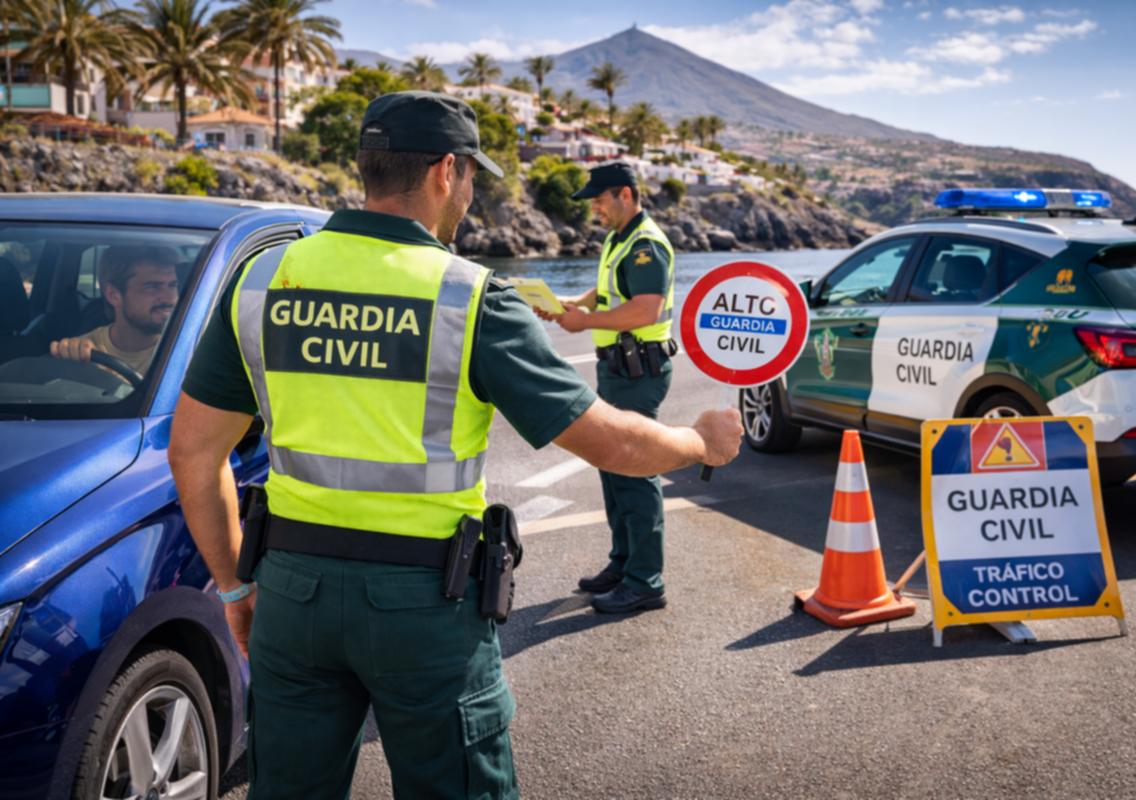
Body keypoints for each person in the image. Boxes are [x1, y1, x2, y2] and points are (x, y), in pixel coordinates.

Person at [167, 91, 742, 800]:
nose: (470, 191)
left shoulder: (260, 280)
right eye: (472, 174)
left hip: (292, 595)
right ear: (446, 171)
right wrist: (698, 440)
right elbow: (612, 444)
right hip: (425, 607)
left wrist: (235, 587)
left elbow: (193, 452)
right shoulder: (469, 296)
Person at [539, 161, 678, 614]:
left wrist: (584, 323)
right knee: (613, 466)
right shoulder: (620, 240)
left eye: (599, 200)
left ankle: (645, 581)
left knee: (636, 470)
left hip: (638, 372)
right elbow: (609, 290)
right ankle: (623, 564)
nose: (594, 208)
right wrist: (575, 303)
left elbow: (645, 310)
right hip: (619, 370)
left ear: (625, 193)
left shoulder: (646, 246)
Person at [49, 244, 179, 375]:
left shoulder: (187, 352)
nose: (170, 299)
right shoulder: (83, 353)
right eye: (152, 287)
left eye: (172, 285)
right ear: (113, 295)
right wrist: (69, 355)